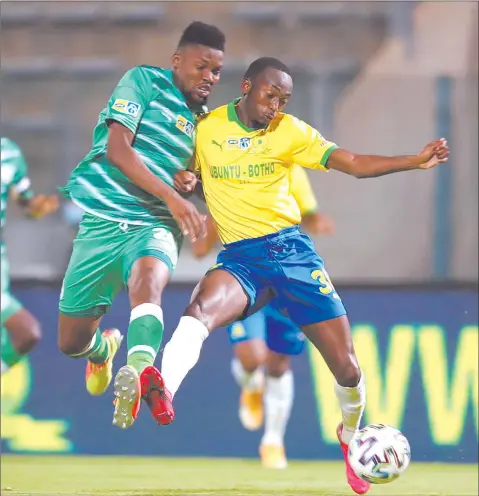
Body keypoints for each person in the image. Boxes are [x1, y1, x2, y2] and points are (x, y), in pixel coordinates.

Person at [155, 56, 448, 494]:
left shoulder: (290, 132)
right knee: (199, 310)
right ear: (248, 86)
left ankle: (350, 437)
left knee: (347, 369)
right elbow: (184, 171)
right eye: (271, 95)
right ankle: (163, 388)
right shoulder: (208, 128)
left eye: (284, 99)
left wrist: (414, 160)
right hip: (241, 258)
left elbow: (350, 161)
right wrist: (182, 177)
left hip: (291, 254)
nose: (276, 105)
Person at [57, 21, 225, 430]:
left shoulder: (205, 125)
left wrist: (192, 183)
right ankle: (103, 349)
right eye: (202, 67)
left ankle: (140, 370)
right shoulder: (143, 81)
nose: (209, 78)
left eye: (217, 72)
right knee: (71, 341)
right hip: (103, 219)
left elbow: (198, 181)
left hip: (154, 222)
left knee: (149, 276)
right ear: (177, 61)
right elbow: (118, 149)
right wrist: (173, 191)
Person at [191, 165, 335, 469]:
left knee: (278, 363)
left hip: (289, 275)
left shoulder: (289, 167)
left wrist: (315, 220)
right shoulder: (231, 165)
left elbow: (306, 212)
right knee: (252, 357)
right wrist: (205, 239)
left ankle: (273, 441)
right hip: (247, 276)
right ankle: (251, 384)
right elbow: (218, 215)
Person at [1, 137, 59, 374]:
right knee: (27, 331)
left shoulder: (9, 153)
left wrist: (37, 207)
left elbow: (25, 201)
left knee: (27, 334)